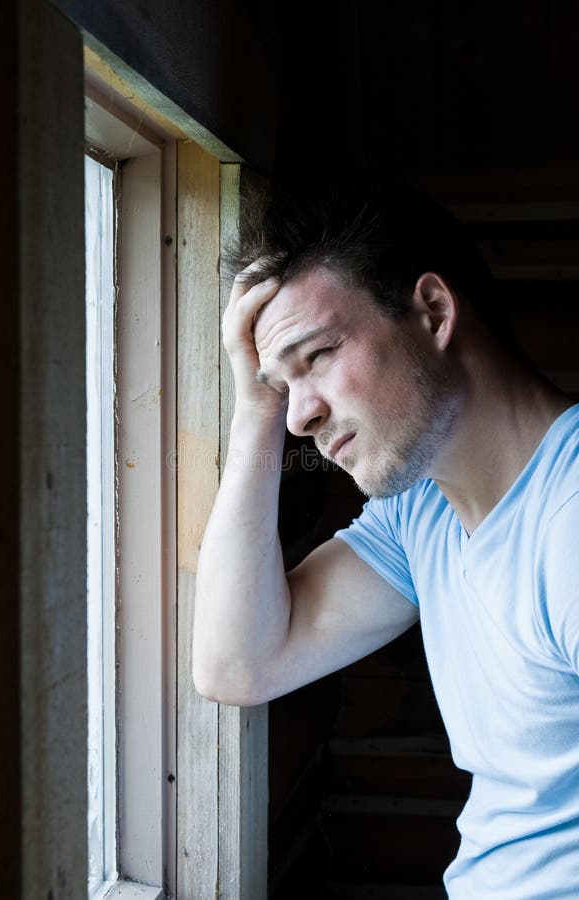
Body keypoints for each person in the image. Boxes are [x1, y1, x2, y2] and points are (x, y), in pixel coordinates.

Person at [192, 179, 579, 898]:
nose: (300, 415)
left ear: (432, 310)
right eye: (281, 384)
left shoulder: (568, 522)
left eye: (318, 355)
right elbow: (237, 665)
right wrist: (255, 411)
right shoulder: (422, 516)